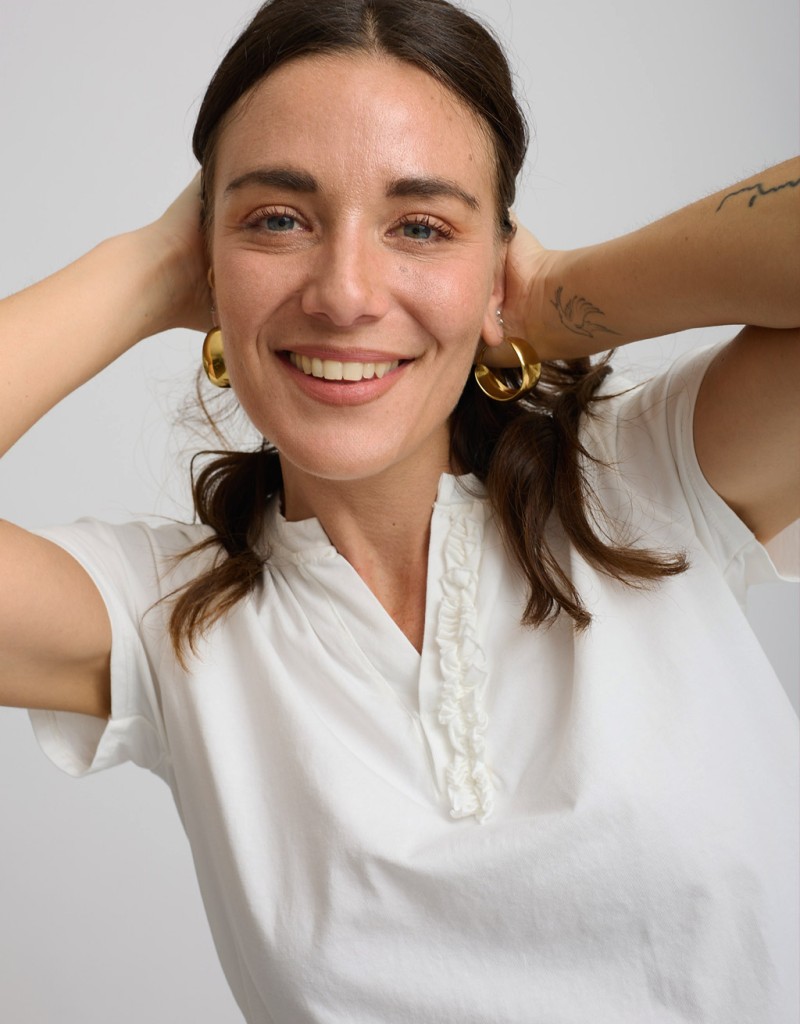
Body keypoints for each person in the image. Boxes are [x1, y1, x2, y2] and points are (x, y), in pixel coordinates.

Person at [1, 0, 798, 1020]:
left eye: (420, 227)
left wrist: (551, 296)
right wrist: (151, 267)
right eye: (277, 218)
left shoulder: (648, 478)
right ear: (210, 261)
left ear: (495, 262)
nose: (344, 294)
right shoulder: (166, 619)